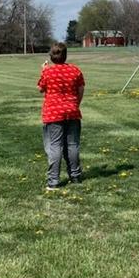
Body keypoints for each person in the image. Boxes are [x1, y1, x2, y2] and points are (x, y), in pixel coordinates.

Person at [37, 42, 85, 190]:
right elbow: (81, 88)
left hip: (53, 114)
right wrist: (76, 104)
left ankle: (53, 181)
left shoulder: (48, 72)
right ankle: (75, 175)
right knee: (72, 145)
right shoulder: (75, 70)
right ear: (65, 56)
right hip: (72, 111)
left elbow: (40, 89)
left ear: (51, 57)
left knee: (55, 146)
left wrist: (44, 70)